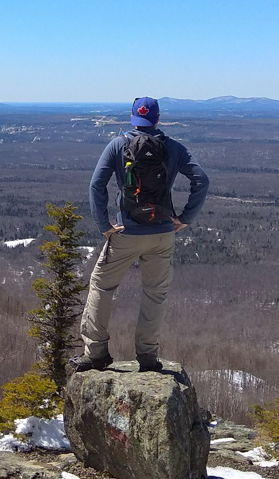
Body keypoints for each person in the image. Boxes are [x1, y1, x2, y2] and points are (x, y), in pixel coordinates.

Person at [73, 96, 209, 373]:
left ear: (133, 117)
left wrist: (104, 226)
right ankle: (147, 357)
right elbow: (201, 180)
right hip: (162, 233)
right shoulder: (173, 148)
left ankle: (96, 353)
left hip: (125, 232)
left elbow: (96, 185)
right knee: (155, 294)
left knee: (102, 287)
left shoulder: (118, 145)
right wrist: (184, 218)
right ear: (158, 119)